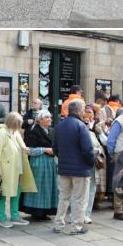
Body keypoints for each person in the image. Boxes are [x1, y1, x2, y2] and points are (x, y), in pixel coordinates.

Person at [53, 100, 95, 234]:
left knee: (63, 197)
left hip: (64, 168)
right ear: (78, 111)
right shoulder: (81, 126)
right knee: (79, 199)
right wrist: (90, 163)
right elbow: (88, 149)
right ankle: (77, 226)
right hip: (80, 169)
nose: (84, 112)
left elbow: (55, 148)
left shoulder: (59, 126)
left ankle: (58, 224)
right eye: (83, 109)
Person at [0, 113, 31, 227]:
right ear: (13, 123)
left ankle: (15, 216)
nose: (20, 126)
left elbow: (21, 145)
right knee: (2, 194)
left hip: (16, 169)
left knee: (16, 193)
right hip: (5, 169)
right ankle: (2, 218)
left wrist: (25, 148)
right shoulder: (1, 134)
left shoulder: (15, 132)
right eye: (19, 124)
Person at [22, 110, 58, 221]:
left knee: (48, 188)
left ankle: (45, 211)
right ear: (40, 120)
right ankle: (36, 212)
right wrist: (45, 149)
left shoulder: (52, 131)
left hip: (50, 163)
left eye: (50, 117)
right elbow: (28, 150)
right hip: (38, 162)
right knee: (39, 187)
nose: (50, 119)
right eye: (47, 117)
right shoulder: (34, 132)